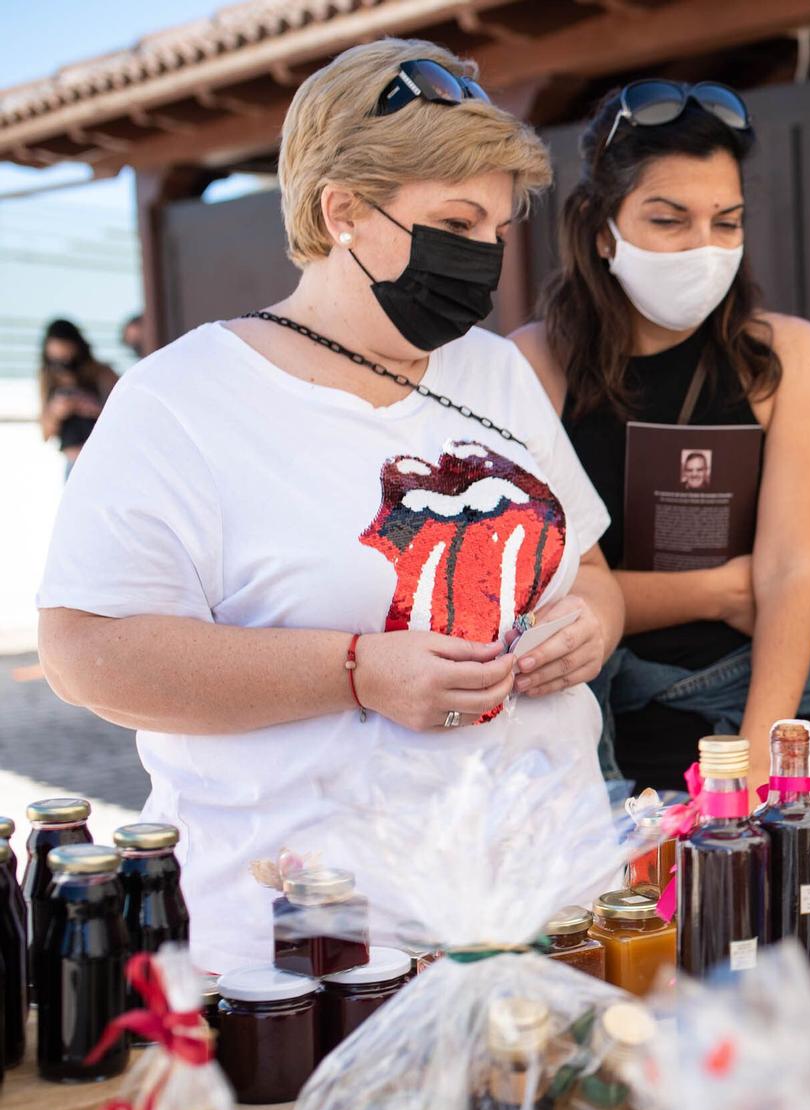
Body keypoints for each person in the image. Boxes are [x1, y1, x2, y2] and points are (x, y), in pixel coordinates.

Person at [36, 39, 622, 972]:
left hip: (548, 908)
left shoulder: (494, 372)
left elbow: (586, 570)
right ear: (341, 208)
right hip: (315, 949)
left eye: (498, 228)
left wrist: (589, 626)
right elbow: (83, 654)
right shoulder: (183, 398)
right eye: (456, 219)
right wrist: (355, 670)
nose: (482, 254)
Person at [512, 80, 810, 795]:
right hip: (589, 705)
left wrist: (757, 760)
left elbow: (792, 571)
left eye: (727, 222)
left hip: (764, 691)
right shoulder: (533, 368)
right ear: (602, 229)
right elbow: (546, 596)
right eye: (670, 220)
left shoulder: (792, 359)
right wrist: (714, 589)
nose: (704, 247)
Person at [38, 317, 117, 465]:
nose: (63, 366)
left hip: (106, 457)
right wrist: (57, 412)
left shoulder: (102, 373)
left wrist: (93, 407)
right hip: (74, 462)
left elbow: (124, 415)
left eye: (68, 359)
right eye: (56, 361)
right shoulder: (48, 379)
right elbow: (45, 434)